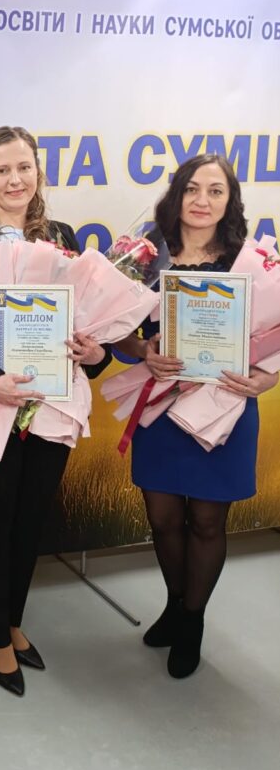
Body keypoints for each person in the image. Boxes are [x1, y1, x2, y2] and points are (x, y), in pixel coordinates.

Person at [0, 125, 109, 697]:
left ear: (39, 172)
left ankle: (11, 619)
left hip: (49, 406)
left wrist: (94, 353)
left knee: (30, 517)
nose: (15, 179)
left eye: (24, 167)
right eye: (2, 169)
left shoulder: (62, 237)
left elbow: (86, 324)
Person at [117, 154, 277, 679]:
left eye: (215, 191)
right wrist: (143, 352)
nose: (201, 200)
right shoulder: (146, 255)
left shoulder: (252, 263)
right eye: (191, 188)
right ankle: (174, 603)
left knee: (207, 522)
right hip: (161, 407)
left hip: (224, 408)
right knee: (163, 519)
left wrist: (267, 379)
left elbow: (274, 339)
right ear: (176, 194)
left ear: (230, 201)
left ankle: (192, 620)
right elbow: (113, 331)